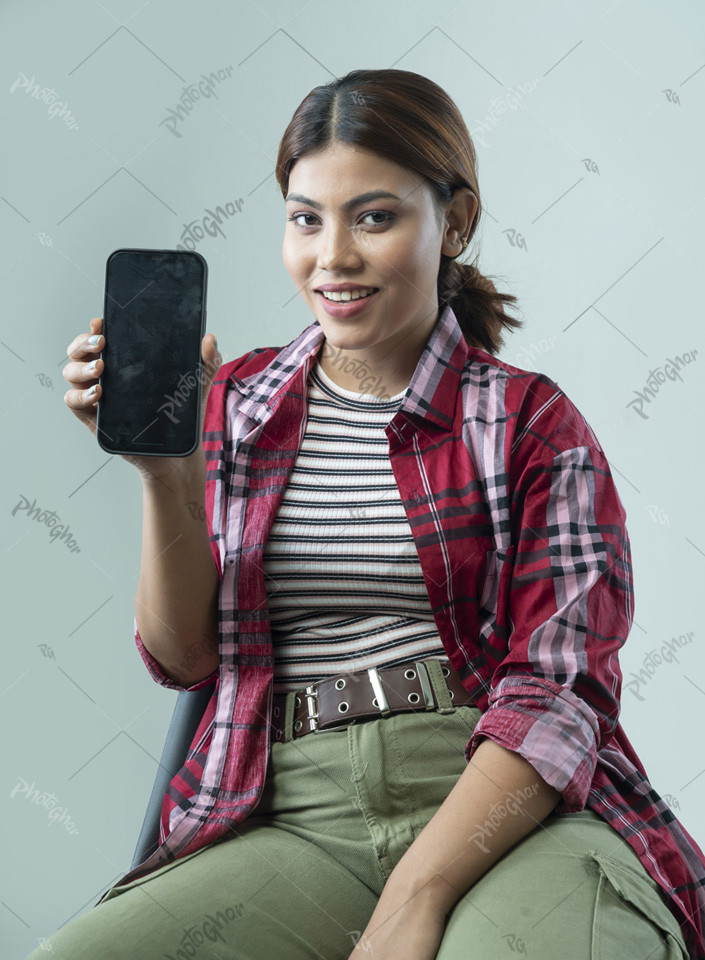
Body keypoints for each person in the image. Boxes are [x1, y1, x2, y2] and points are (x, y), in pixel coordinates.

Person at [38, 67, 704, 960]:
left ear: (453, 222)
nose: (333, 257)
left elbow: (559, 691)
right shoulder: (237, 404)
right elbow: (187, 656)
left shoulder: (529, 425)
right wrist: (168, 470)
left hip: (499, 803)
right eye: (305, 218)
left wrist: (415, 897)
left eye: (375, 216)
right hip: (293, 811)